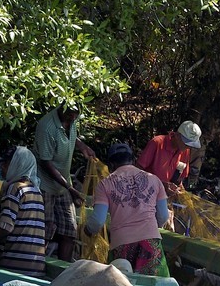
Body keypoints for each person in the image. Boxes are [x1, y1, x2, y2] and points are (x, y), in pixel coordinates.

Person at [85, 142, 170, 275]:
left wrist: (88, 229)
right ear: (133, 160)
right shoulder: (154, 180)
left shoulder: (105, 184)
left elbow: (98, 220)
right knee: (155, 285)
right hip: (150, 241)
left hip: (122, 244)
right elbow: (164, 216)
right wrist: (150, 227)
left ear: (111, 165)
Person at [34, 104, 97, 262]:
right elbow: (46, 163)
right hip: (45, 184)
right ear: (62, 108)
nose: (73, 117)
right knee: (45, 229)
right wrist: (70, 188)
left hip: (63, 184)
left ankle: (63, 269)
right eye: (70, 114)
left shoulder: (71, 119)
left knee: (69, 229)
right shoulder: (47, 126)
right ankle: (37, 264)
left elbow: (68, 135)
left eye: (76, 114)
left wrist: (82, 146)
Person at [0, 147, 49, 276]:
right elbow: (19, 229)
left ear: (17, 165)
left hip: (14, 268)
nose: (2, 167)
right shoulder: (36, 191)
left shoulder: (15, 189)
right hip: (36, 269)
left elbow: (5, 228)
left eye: (6, 164)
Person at [137, 121, 202, 188]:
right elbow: (137, 170)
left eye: (190, 145)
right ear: (177, 135)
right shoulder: (157, 143)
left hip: (166, 194)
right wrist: (161, 185)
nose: (188, 146)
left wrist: (179, 189)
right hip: (147, 190)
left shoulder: (185, 150)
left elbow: (179, 178)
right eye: (186, 143)